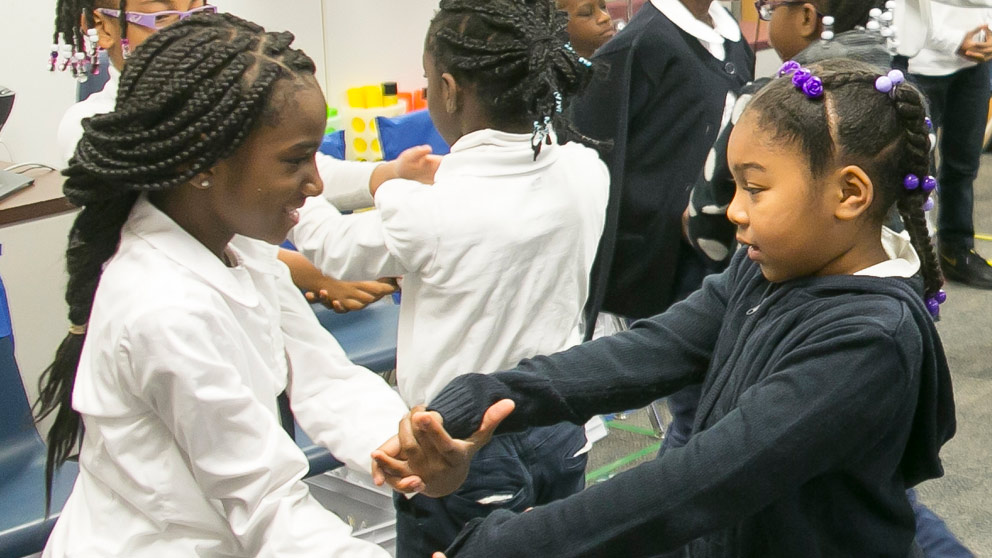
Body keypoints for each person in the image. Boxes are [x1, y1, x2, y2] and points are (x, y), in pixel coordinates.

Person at [376, 58, 958, 557]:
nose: (732, 210)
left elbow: (704, 480)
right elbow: (646, 353)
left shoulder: (870, 343)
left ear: (849, 194)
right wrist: (470, 403)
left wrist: (511, 545)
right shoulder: (767, 266)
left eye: (754, 188)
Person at [34, 13, 409, 556]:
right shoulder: (163, 308)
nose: (317, 182)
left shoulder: (241, 247)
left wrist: (399, 439)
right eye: (295, 160)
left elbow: (321, 375)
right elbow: (264, 501)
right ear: (203, 161)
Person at [288, 1, 608, 555]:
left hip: (461, 448)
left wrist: (296, 173)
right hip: (561, 424)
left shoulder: (424, 214)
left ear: (451, 90)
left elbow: (330, 249)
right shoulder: (587, 170)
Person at [51, 0, 428, 312]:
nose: (190, 32)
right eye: (164, 18)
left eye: (200, 14)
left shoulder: (222, 102)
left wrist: (385, 174)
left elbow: (291, 180)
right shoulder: (95, 127)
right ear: (104, 28)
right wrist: (312, 273)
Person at [909, 4, 992, 288]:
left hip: (975, 65)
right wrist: (953, 42)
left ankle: (956, 250)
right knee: (917, 171)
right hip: (921, 62)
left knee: (964, 165)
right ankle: (916, 258)